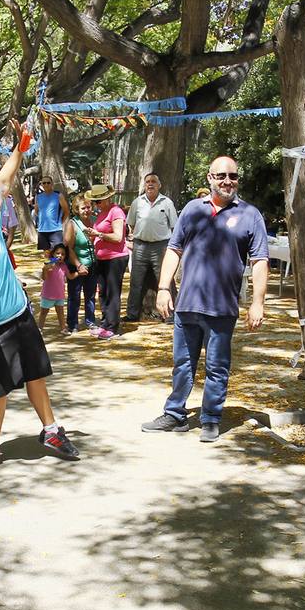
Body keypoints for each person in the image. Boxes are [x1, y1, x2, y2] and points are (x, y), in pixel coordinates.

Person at [0, 150, 81, 473]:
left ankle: (50, 432)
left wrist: (20, 150)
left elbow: (4, 180)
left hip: (20, 317)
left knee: (36, 375)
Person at [141, 155, 269, 444]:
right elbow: (174, 249)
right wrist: (164, 288)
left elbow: (260, 260)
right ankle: (175, 415)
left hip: (222, 307)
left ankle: (211, 418)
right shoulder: (192, 209)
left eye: (233, 176)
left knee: (217, 365)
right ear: (210, 178)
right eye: (221, 176)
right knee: (182, 363)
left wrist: (258, 302)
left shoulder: (250, 215)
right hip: (187, 303)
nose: (227, 181)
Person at [126, 172, 179, 322]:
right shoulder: (137, 202)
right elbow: (131, 222)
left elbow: (174, 225)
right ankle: (132, 315)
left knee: (165, 281)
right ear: (144, 185)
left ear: (159, 185)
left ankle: (171, 316)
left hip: (161, 247)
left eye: (153, 182)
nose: (150, 184)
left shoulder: (167, 202)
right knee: (136, 282)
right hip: (140, 246)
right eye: (147, 181)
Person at [84, 184, 128, 339]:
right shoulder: (102, 213)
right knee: (102, 292)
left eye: (99, 201)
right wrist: (93, 235)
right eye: (95, 202)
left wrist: (99, 234)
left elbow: (118, 237)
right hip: (101, 258)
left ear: (108, 199)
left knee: (112, 292)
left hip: (115, 258)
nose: (97, 204)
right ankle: (105, 323)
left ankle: (113, 326)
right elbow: (100, 234)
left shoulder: (116, 211)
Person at [64, 210, 98, 334]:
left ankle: (90, 321)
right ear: (77, 209)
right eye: (83, 207)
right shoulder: (72, 224)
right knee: (74, 296)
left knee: (91, 295)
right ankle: (72, 324)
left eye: (89, 207)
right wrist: (79, 265)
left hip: (93, 264)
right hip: (76, 265)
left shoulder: (94, 221)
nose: (87, 210)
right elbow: (68, 248)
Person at [34, 174, 70, 251]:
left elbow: (66, 211)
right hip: (42, 230)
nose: (46, 184)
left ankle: (56, 263)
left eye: (48, 182)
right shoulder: (38, 196)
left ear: (52, 184)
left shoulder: (58, 195)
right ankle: (50, 263)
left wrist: (60, 222)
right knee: (47, 254)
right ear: (41, 185)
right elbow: (36, 211)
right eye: (44, 183)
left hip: (55, 230)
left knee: (57, 253)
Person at [39, 244, 70, 332]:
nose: (60, 256)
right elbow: (44, 278)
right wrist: (45, 269)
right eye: (58, 253)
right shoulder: (50, 264)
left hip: (60, 294)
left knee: (60, 312)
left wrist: (79, 273)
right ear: (53, 254)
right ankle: (40, 328)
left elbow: (70, 277)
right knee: (44, 312)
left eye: (63, 254)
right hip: (48, 294)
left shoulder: (64, 266)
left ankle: (63, 328)